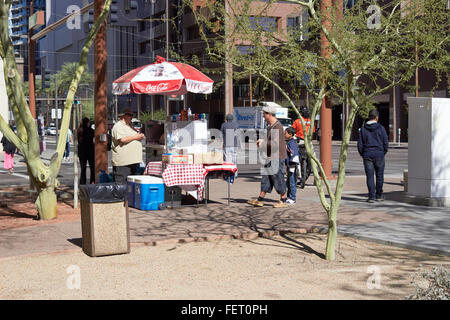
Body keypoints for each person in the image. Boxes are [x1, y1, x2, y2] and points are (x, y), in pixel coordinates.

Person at [247, 105, 288, 208]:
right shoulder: (272, 126)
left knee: (278, 177)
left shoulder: (277, 126)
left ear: (269, 114)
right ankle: (260, 199)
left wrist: (263, 143)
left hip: (276, 157)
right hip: (270, 156)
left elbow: (275, 144)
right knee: (266, 178)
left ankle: (284, 200)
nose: (263, 116)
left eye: (264, 114)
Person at [357, 109, 389, 203]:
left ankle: (371, 197)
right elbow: (385, 143)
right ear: (376, 117)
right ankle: (379, 195)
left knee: (370, 176)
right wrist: (383, 152)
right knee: (379, 175)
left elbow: (360, 144)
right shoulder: (381, 128)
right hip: (379, 154)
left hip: (367, 154)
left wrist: (363, 154)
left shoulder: (363, 129)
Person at [111, 108, 145, 183]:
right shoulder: (118, 126)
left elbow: (135, 136)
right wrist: (136, 137)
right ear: (123, 116)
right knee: (122, 185)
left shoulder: (129, 126)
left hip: (133, 162)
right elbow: (123, 139)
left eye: (132, 115)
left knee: (131, 186)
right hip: (123, 163)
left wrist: (140, 136)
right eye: (129, 115)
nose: (131, 117)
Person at [77, 117, 95, 185]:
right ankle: (92, 181)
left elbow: (77, 141)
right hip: (90, 151)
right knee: (92, 168)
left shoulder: (79, 131)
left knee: (83, 169)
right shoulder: (91, 131)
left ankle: (82, 182)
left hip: (82, 151)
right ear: (88, 123)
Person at [285, 127, 300, 205]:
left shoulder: (292, 143)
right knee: (289, 182)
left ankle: (292, 198)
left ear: (290, 134)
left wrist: (292, 165)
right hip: (290, 165)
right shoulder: (290, 142)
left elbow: (294, 155)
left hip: (292, 166)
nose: (284, 134)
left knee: (292, 182)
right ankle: (289, 197)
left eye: (286, 133)